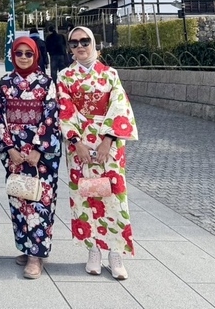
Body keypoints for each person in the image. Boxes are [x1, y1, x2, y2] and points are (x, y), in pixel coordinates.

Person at [57, 26, 138, 280]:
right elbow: (64, 109)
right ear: (69, 48)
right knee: (85, 196)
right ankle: (92, 251)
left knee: (114, 196)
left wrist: (108, 140)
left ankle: (115, 253)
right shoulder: (64, 77)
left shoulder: (110, 74)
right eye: (74, 43)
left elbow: (119, 106)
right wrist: (76, 142)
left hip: (109, 144)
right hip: (79, 145)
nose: (80, 47)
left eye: (85, 41)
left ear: (94, 44)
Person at [0, 35, 61, 279]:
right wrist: (10, 147)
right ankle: (25, 246)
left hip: (40, 151)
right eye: (19, 53)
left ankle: (37, 255)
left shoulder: (46, 83)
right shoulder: (5, 82)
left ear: (36, 56)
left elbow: (51, 116)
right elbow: (0, 116)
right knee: (19, 197)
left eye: (28, 54)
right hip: (14, 150)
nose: (23, 58)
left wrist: (37, 149)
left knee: (40, 201)